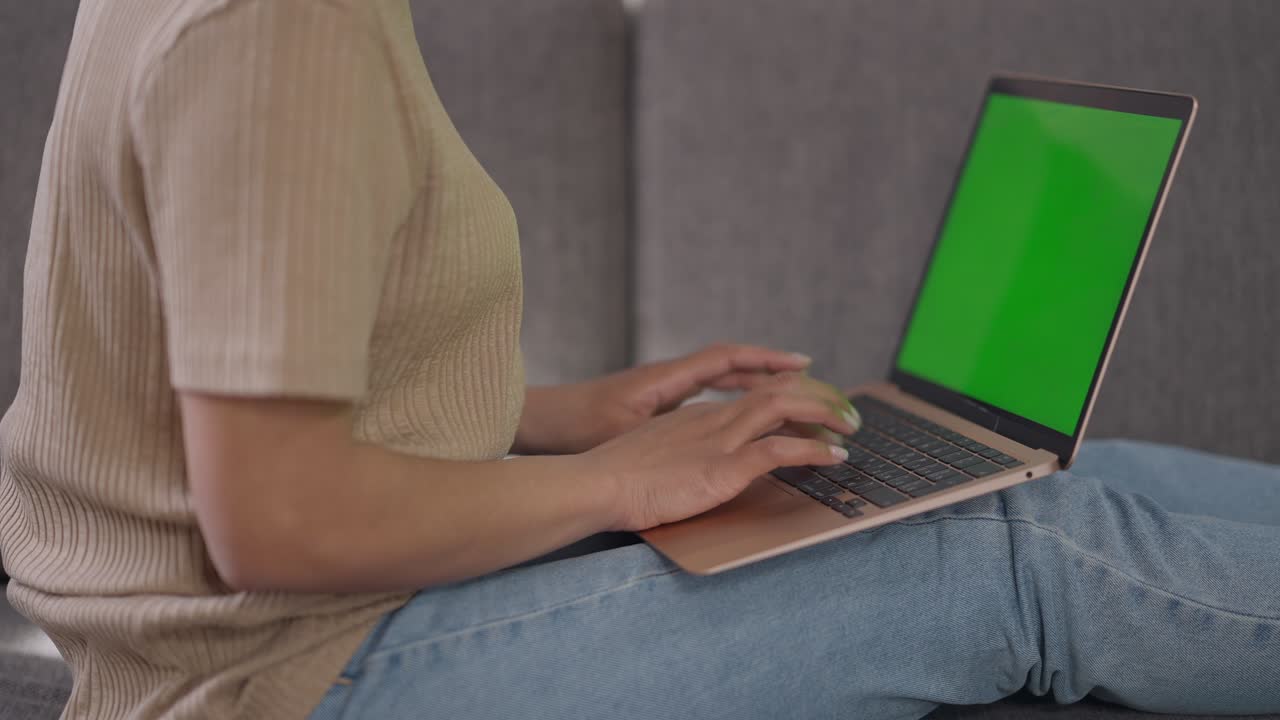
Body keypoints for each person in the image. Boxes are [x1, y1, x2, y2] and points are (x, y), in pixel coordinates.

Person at [2, 1, 1278, 718]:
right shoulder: (278, 30)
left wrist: (562, 415)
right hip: (276, 683)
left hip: (291, 631)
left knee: (1036, 480)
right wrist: (617, 479)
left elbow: (228, 394)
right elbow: (273, 516)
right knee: (1005, 556)